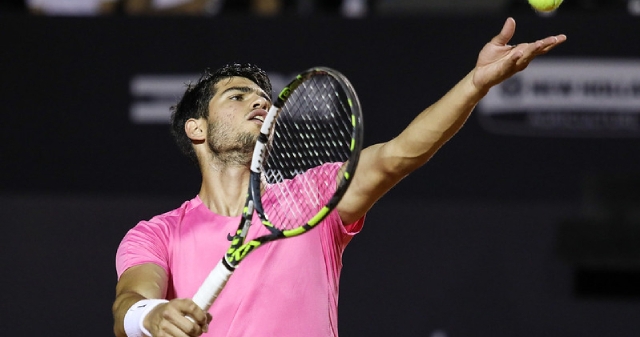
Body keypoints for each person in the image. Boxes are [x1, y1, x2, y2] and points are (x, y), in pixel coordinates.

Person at [112, 17, 566, 337]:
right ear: (197, 129)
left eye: (264, 98)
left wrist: (476, 83)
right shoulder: (159, 233)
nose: (261, 104)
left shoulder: (311, 197)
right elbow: (129, 301)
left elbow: (398, 155)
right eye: (237, 96)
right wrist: (152, 317)